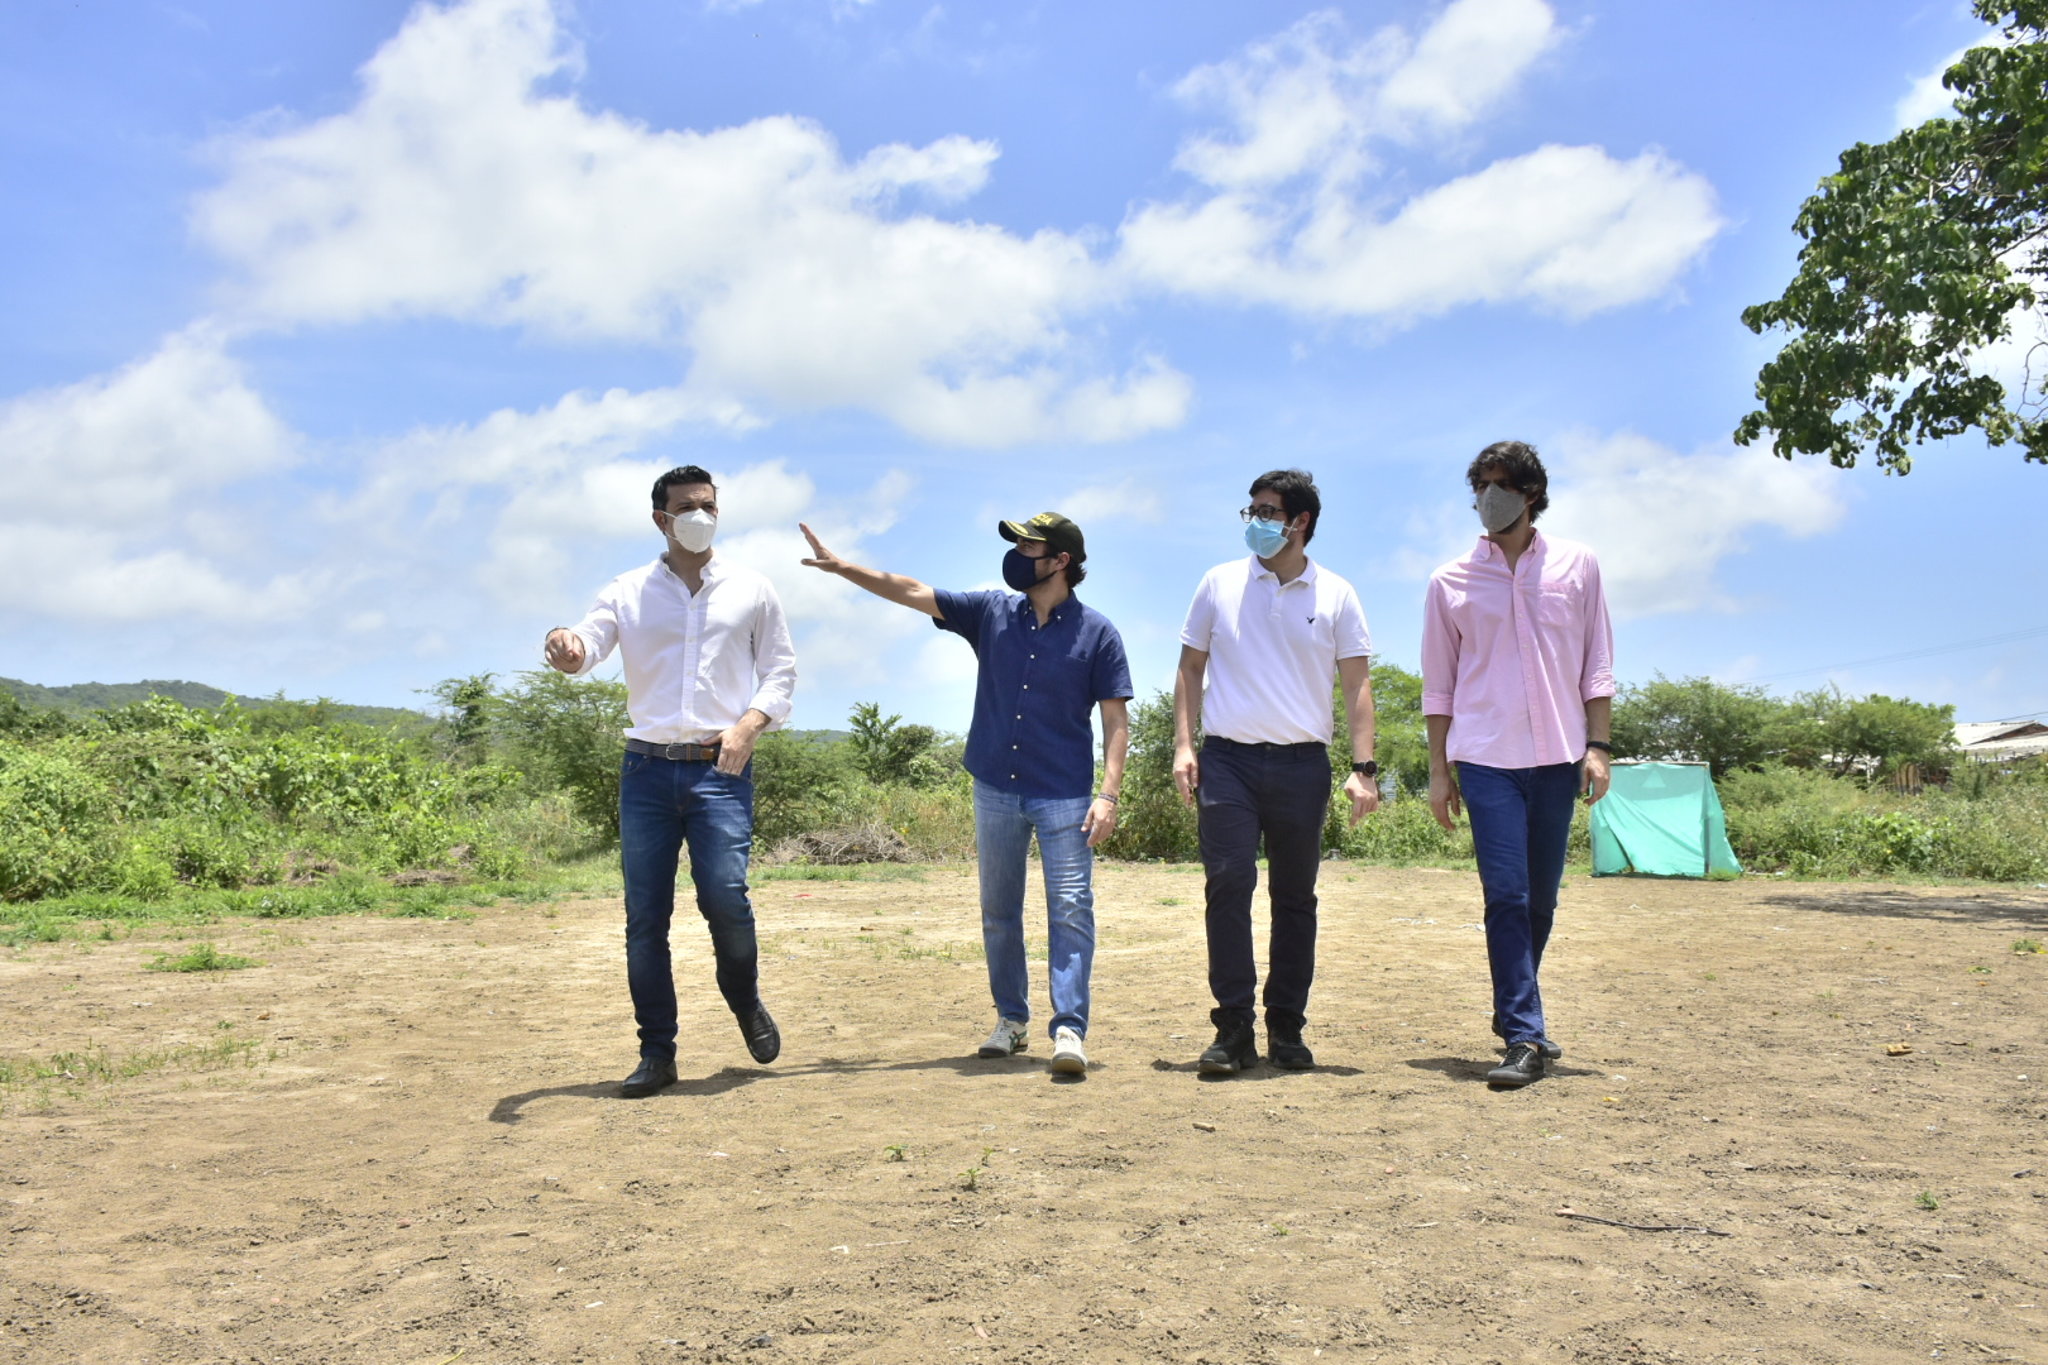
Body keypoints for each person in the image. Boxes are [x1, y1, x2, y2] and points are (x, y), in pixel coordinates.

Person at [798, 512, 1131, 1074]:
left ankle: (1069, 1030)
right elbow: (909, 590)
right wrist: (843, 569)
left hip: (1065, 795)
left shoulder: (1098, 633)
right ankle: (1011, 1021)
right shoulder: (991, 612)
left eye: (1029, 545)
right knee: (999, 911)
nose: (1017, 554)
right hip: (996, 788)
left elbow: (1116, 721)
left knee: (1071, 909)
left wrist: (1109, 795)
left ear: (1060, 561)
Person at [544, 464, 797, 1099]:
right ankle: (657, 1052)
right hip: (647, 771)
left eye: (709, 504)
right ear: (661, 518)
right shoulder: (627, 591)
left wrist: (749, 725)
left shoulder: (752, 588)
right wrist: (564, 644)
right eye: (687, 506)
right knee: (644, 919)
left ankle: (744, 998)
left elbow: (780, 671)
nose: (700, 515)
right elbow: (586, 645)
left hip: (721, 769)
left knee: (726, 899)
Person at [1421, 440, 1614, 1089]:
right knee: (1505, 894)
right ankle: (1523, 1032)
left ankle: (1520, 1009)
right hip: (1484, 757)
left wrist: (1599, 745)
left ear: (1531, 493)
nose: (1488, 496)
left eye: (1502, 484)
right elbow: (1439, 685)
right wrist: (1439, 771)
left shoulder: (1578, 565)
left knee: (1540, 901)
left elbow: (1597, 664)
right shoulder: (1448, 581)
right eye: (1481, 485)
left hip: (1559, 756)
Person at [1172, 469, 1379, 1075]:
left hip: (1302, 765)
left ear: (1300, 522)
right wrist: (1185, 747)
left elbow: (1357, 685)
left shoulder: (1337, 594)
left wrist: (1363, 768)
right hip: (1228, 759)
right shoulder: (1218, 583)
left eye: (1267, 511)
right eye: (1252, 511)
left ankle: (1286, 1026)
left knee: (1295, 899)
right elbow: (1189, 669)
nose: (1256, 522)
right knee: (1228, 884)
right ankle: (1233, 1026)